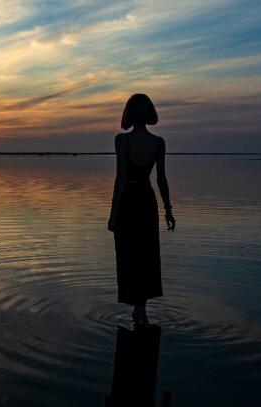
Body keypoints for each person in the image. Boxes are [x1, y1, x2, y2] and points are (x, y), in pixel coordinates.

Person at [108, 93, 175, 327]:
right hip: (147, 199)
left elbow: (121, 178)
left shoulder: (122, 140)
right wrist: (168, 208)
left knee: (130, 253)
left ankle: (139, 310)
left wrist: (113, 214)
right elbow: (161, 179)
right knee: (146, 254)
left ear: (129, 113)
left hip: (129, 200)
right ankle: (140, 310)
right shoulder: (158, 142)